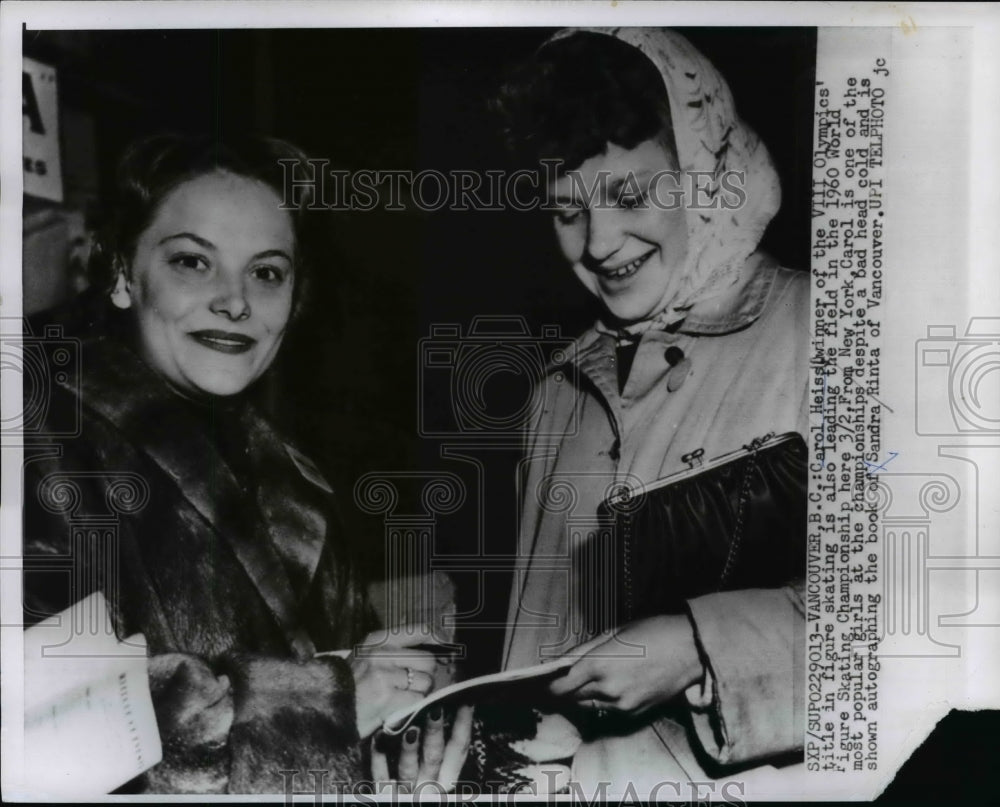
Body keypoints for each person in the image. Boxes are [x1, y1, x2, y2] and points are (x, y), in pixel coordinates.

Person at [22, 133, 470, 795]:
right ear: (120, 273)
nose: (235, 301)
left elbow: (355, 716)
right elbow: (44, 727)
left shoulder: (300, 485)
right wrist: (332, 700)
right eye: (192, 263)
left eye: (266, 272)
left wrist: (412, 721)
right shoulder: (40, 437)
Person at [489, 29, 808, 793]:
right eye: (567, 210)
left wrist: (702, 646)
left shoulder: (835, 331)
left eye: (630, 195)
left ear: (706, 170)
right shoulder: (557, 393)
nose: (599, 243)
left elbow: (935, 634)